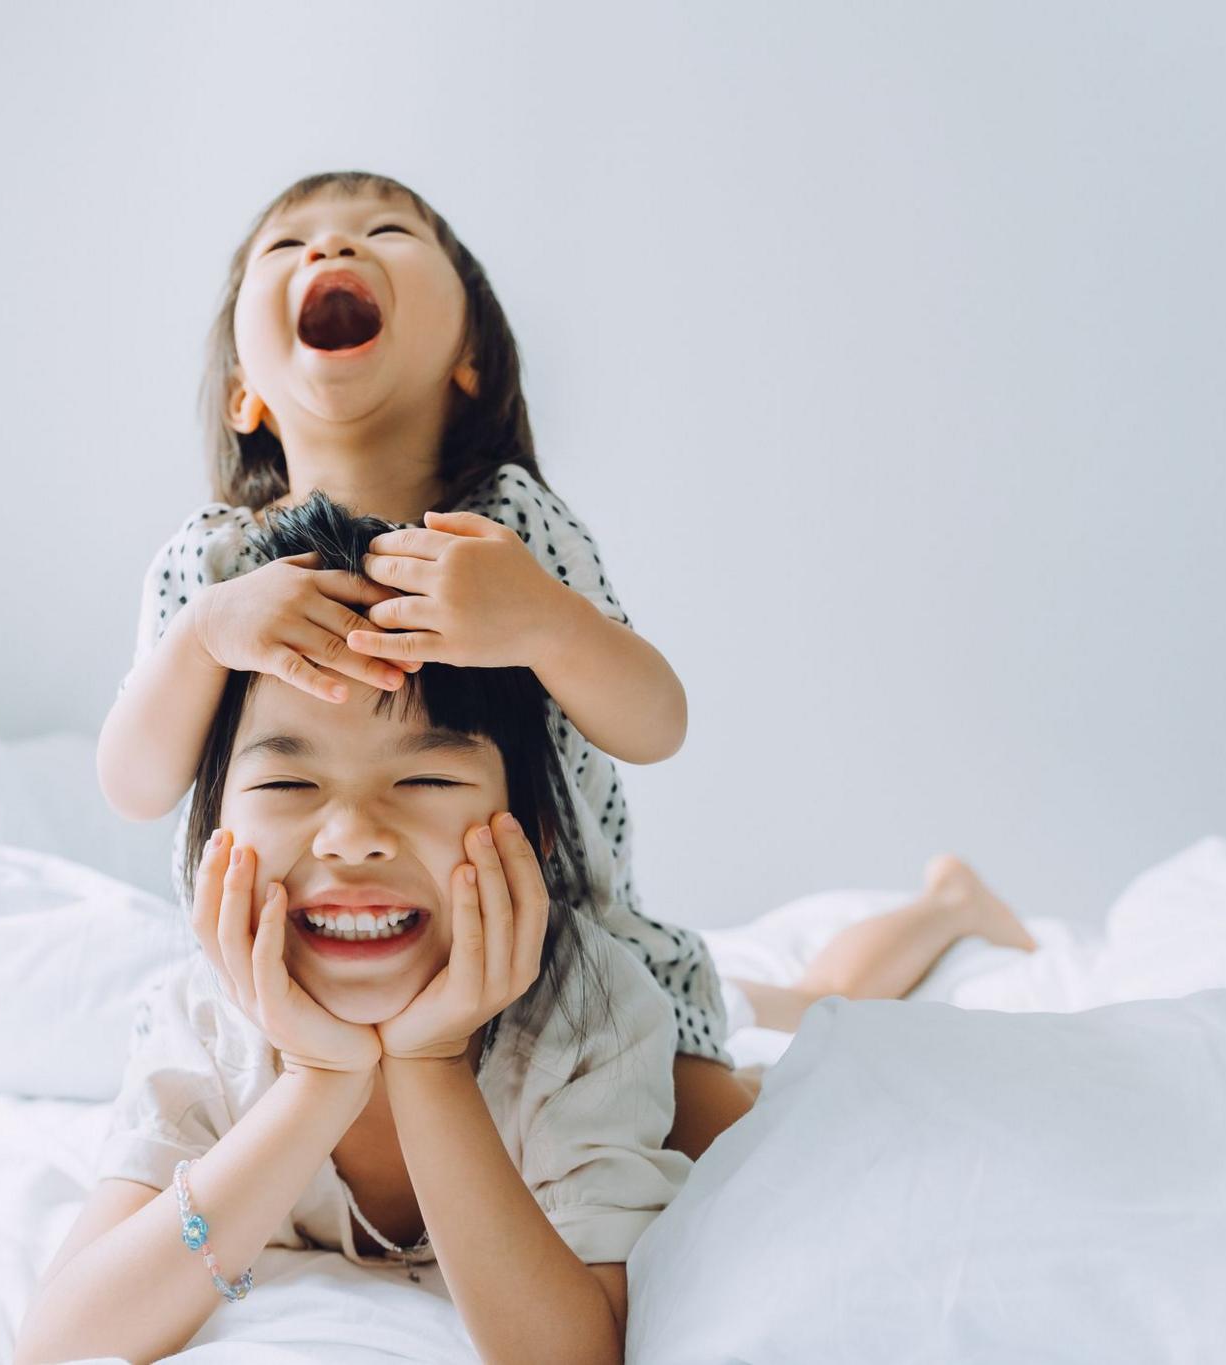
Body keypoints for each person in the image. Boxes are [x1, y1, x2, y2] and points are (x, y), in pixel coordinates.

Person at [96, 169, 750, 1159]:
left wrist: (543, 624)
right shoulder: (214, 564)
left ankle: (917, 925)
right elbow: (133, 785)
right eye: (286, 245)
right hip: (313, 967)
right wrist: (203, 638)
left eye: (384, 230)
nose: (329, 250)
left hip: (551, 972)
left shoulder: (510, 531)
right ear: (242, 394)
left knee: (740, 1150)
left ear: (470, 362)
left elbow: (655, 724)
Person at [18, 495, 692, 1364]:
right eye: (289, 787)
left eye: (426, 782)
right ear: (211, 837)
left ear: (537, 832)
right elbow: (63, 1340)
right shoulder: (207, 1019)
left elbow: (572, 1353)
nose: (353, 835)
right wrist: (316, 1078)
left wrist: (431, 1063)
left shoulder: (588, 1021)